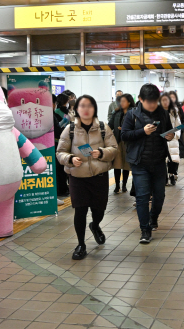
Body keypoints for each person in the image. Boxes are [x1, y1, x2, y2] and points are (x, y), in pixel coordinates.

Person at [57, 95, 117, 260]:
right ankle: (81, 244)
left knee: (99, 209)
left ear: (94, 109)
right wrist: (70, 159)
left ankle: (95, 225)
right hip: (77, 177)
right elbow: (60, 152)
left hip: (99, 176)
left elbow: (114, 148)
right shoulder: (69, 129)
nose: (86, 109)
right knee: (80, 210)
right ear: (76, 109)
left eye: (89, 105)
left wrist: (102, 152)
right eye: (82, 105)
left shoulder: (104, 127)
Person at [122, 84, 174, 243]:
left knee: (160, 195)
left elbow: (169, 131)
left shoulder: (164, 114)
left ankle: (154, 217)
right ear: (140, 99)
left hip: (159, 161)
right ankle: (145, 229)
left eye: (155, 101)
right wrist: (142, 132)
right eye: (148, 102)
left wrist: (169, 136)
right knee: (142, 197)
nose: (152, 105)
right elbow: (124, 135)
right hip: (140, 163)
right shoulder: (132, 115)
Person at [109, 93, 135, 194]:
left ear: (129, 102)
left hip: (128, 142)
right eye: (121, 101)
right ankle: (117, 185)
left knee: (126, 164)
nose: (122, 103)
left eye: (124, 101)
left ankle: (124, 185)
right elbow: (110, 124)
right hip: (117, 141)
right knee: (117, 164)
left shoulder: (133, 112)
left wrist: (126, 129)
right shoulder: (116, 113)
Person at [159, 94, 181, 186]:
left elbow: (179, 125)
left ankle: (172, 175)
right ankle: (164, 178)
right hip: (162, 139)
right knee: (163, 160)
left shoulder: (174, 112)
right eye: (163, 100)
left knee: (173, 160)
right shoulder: (157, 112)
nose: (165, 102)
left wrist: (174, 134)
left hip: (172, 139)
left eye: (166, 100)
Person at [53, 93, 70, 201]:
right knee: (60, 168)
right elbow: (57, 130)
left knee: (61, 167)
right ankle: (61, 189)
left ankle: (63, 188)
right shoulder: (53, 114)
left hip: (59, 142)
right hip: (57, 142)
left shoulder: (54, 113)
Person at [168, 91, 184, 158]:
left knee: (176, 158)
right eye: (170, 97)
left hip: (177, 137)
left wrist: (178, 132)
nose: (172, 99)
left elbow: (183, 122)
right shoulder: (164, 109)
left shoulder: (179, 108)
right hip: (167, 137)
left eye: (173, 97)